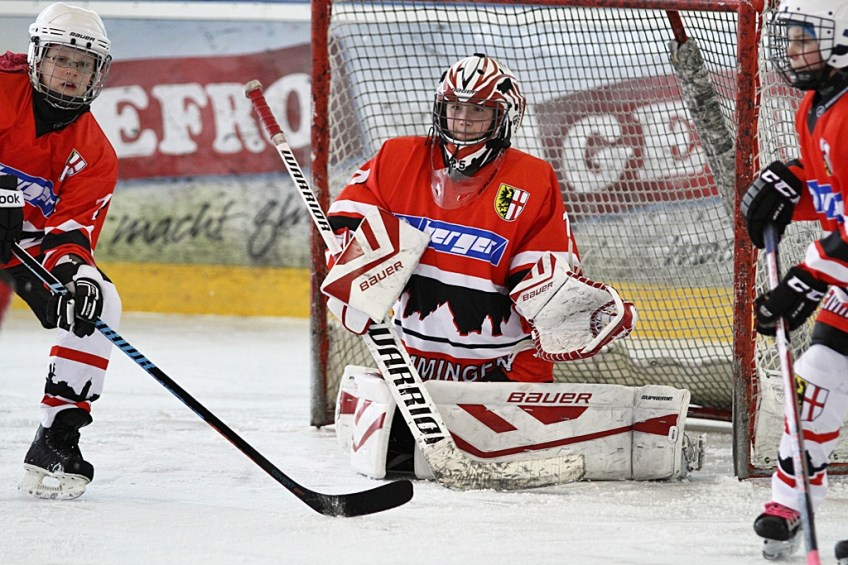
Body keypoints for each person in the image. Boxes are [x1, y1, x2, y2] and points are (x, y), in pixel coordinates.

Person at [326, 53, 589, 384]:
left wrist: (569, 309)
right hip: (412, 366)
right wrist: (351, 278)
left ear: (505, 116)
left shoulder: (532, 179)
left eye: (478, 110)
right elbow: (344, 225)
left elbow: (543, 275)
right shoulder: (398, 159)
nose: (463, 119)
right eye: (455, 107)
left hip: (504, 367)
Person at [741, 0, 848, 560]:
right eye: (791, 38)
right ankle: (789, 504)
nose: (791, 50)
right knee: (813, 380)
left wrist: (805, 280)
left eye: (806, 39)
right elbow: (833, 192)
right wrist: (792, 187)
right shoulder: (815, 105)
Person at [0, 2, 120, 500]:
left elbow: (70, 233)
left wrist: (76, 273)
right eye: (61, 59)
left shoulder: (95, 153)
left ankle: (57, 436)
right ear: (37, 57)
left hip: (23, 249)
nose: (71, 72)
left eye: (82, 64)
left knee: (98, 302)